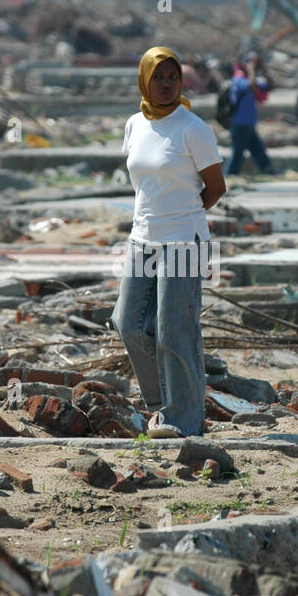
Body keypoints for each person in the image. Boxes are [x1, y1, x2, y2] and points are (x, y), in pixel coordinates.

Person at [111, 46, 226, 438]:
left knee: (175, 330)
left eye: (173, 77)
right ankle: (161, 404)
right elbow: (144, 182)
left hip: (183, 241)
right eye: (158, 77)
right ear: (145, 79)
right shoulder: (134, 125)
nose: (165, 84)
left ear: (181, 82)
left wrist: (185, 217)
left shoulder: (193, 128)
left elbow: (215, 188)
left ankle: (183, 421)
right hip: (142, 237)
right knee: (127, 323)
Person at [225, 51, 274, 177]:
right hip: (239, 123)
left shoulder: (252, 78)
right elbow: (250, 85)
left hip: (249, 123)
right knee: (237, 154)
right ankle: (228, 176)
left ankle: (269, 171)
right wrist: (250, 68)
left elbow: (271, 86)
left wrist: (264, 70)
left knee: (258, 150)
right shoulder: (238, 78)